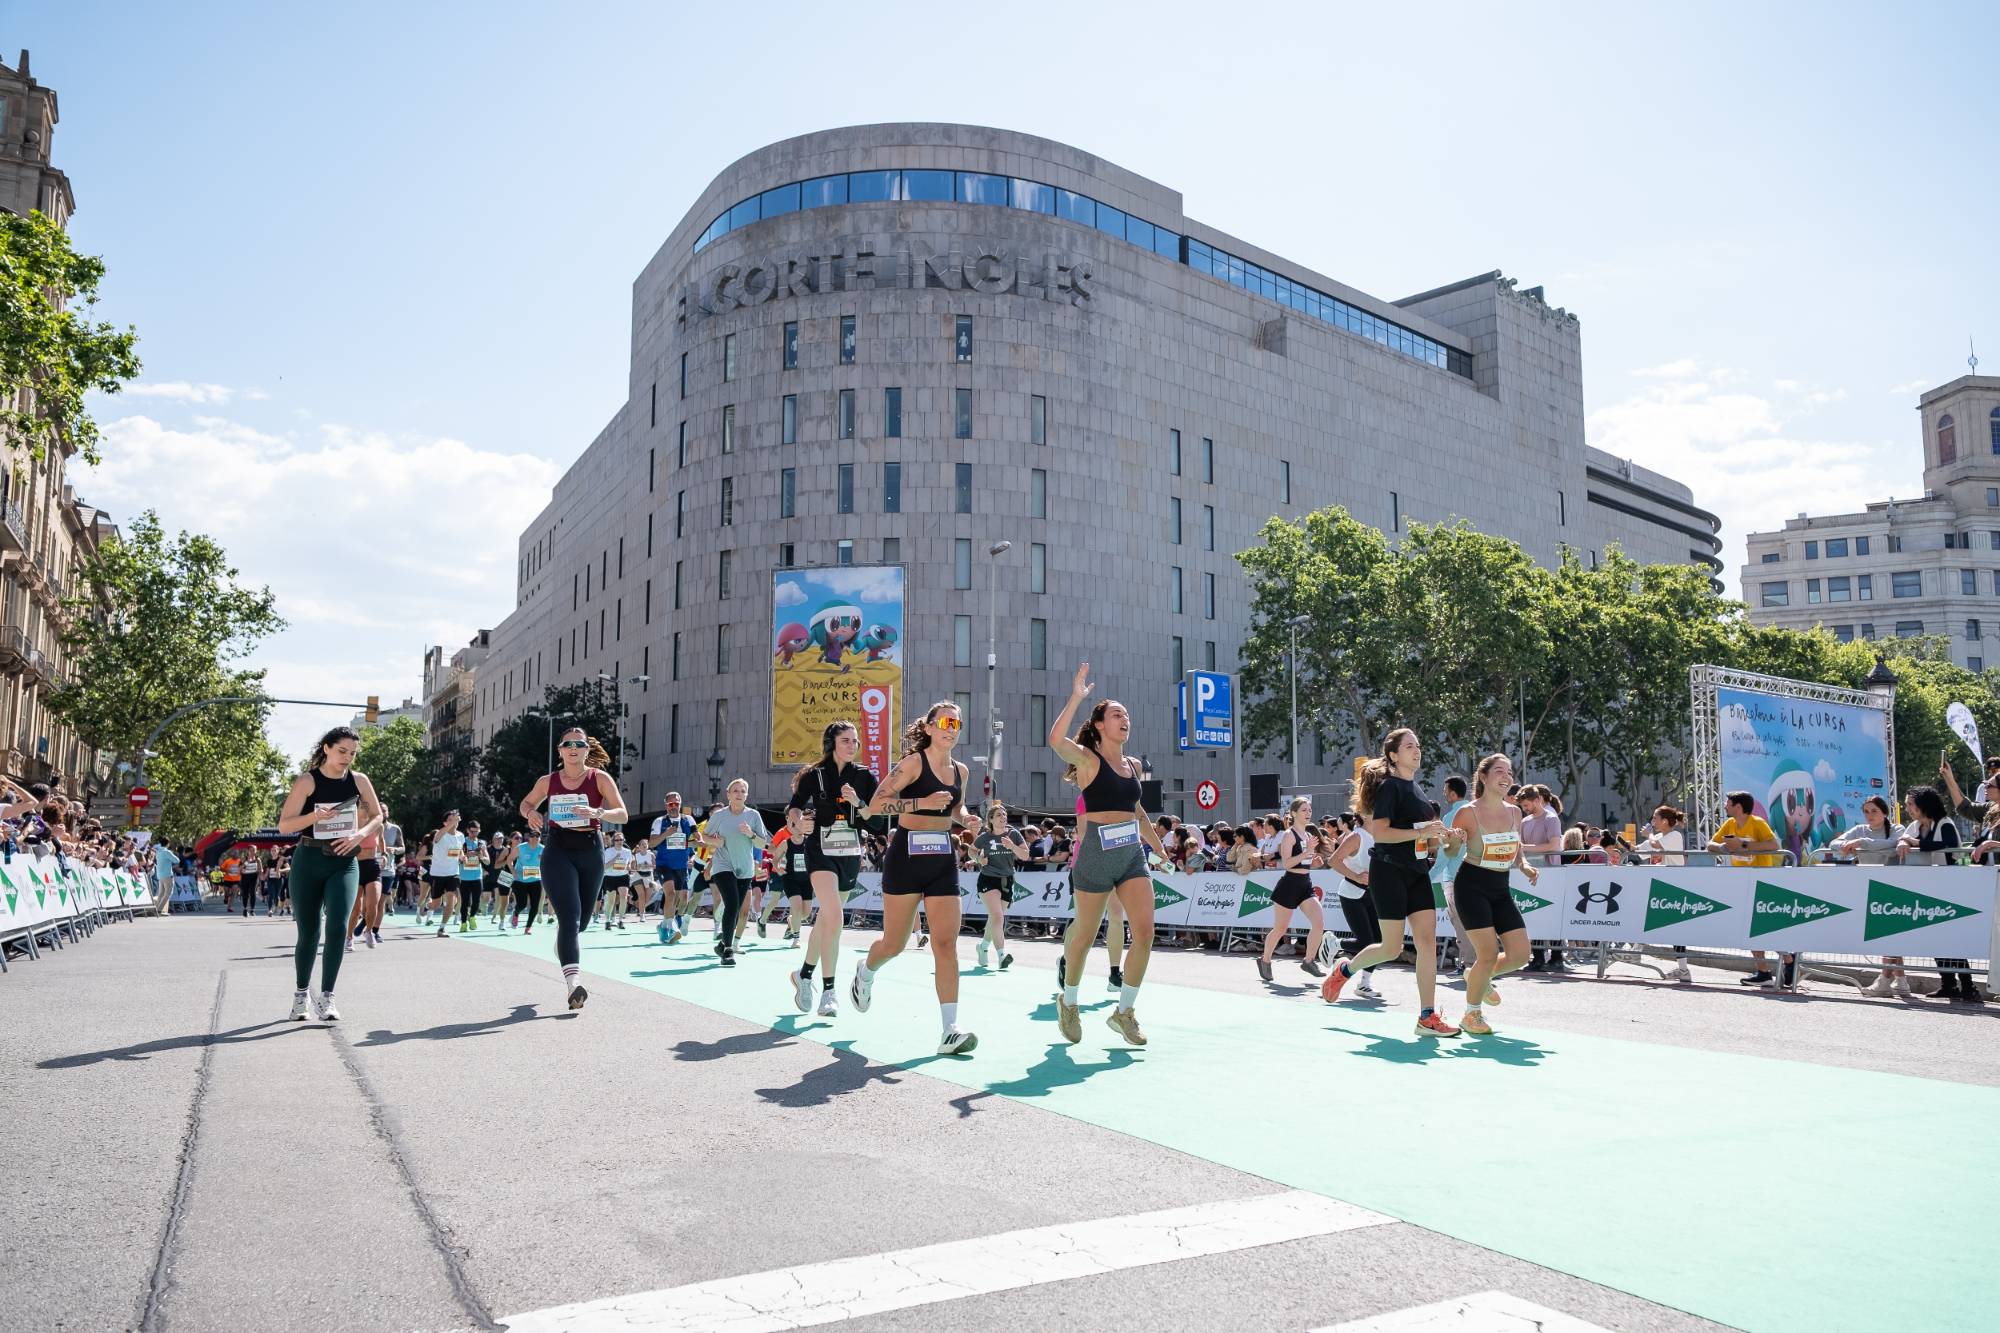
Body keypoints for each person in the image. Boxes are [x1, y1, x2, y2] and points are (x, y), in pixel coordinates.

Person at [849, 701, 983, 1055]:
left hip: (942, 858)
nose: (951, 729)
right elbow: (875, 805)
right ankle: (866, 970)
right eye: (945, 722)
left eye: (957, 723)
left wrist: (966, 818)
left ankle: (949, 1030)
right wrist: (919, 802)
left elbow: (955, 807)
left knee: (946, 944)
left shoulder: (961, 771)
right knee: (893, 945)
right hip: (906, 857)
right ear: (929, 727)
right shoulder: (912, 763)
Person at [1046, 664, 1169, 1047]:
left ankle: (1124, 1012)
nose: (1124, 719)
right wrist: (1076, 697)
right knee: (1084, 936)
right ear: (1099, 724)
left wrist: (1158, 848)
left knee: (1144, 932)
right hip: (1096, 854)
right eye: (1117, 714)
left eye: (1126, 715)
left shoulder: (1133, 766)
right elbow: (1055, 740)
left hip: (1130, 855)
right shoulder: (1088, 760)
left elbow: (1137, 812)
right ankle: (1068, 1002)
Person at [1320, 728, 1461, 1038]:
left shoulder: (1418, 790)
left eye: (1418, 745)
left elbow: (1425, 841)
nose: (1417, 750)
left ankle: (1427, 1016)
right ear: (1394, 755)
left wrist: (1446, 838)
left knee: (1427, 942)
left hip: (1417, 872)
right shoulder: (1389, 788)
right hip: (1388, 872)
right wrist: (1422, 833)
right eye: (1409, 746)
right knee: (1391, 947)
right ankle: (1345, 970)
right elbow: (1382, 833)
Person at [273, 726, 384, 1022]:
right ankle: (301, 996)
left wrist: (359, 834)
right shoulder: (307, 781)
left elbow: (377, 816)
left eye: (353, 753)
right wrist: (314, 816)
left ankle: (327, 997)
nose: (347, 758)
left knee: (337, 927)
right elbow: (285, 825)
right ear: (326, 748)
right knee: (309, 932)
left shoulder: (359, 780)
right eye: (342, 751)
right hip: (309, 860)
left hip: (344, 861)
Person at [517, 729, 628, 1007]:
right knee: (570, 917)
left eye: (579, 744)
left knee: (582, 922)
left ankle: (564, 945)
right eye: (568, 744)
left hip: (590, 849)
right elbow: (526, 803)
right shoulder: (548, 781)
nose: (573, 748)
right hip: (558, 850)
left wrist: (598, 812)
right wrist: (531, 813)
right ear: (560, 750)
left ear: (587, 749)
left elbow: (623, 814)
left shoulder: (599, 778)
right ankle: (573, 985)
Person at [787, 721, 879, 1015]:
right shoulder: (814, 775)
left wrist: (858, 802)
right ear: (831, 744)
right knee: (836, 917)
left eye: (855, 741)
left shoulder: (864, 776)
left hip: (850, 852)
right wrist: (799, 823)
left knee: (827, 919)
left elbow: (876, 820)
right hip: (819, 850)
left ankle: (803, 975)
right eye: (846, 740)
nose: (852, 745)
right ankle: (829, 991)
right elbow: (794, 806)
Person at [1449, 754, 1539, 1035]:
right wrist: (1453, 841)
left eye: (1509, 772)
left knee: (1520, 955)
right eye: (1499, 771)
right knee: (1487, 954)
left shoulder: (1515, 812)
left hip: (1501, 887)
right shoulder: (1468, 812)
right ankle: (1471, 1014)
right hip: (1471, 886)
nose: (1506, 777)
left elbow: (1516, 848)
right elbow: (1450, 852)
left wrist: (1524, 865)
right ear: (1483, 777)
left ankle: (1476, 975)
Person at [1898, 785, 1979, 1002]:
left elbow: (1948, 845)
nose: (1907, 808)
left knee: (1952, 939)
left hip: (1950, 888)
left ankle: (1969, 986)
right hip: (1928, 890)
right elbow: (1903, 839)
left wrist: (1916, 842)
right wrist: (1904, 841)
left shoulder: (1945, 823)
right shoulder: (1915, 826)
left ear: (1923, 805)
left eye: (1910, 804)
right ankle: (1948, 984)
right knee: (1935, 938)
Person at [1828, 796, 1906, 996]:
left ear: (1885, 812)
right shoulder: (1859, 829)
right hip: (1868, 885)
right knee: (1887, 931)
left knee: (1888, 931)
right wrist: (1847, 845)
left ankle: (1884, 980)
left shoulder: (1897, 828)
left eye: (1874, 811)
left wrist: (1862, 843)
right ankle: (1901, 980)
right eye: (1866, 812)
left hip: (1893, 886)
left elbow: (1893, 844)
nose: (1870, 815)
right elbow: (1834, 843)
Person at [1709, 790, 1788, 987]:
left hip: (1762, 882)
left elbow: (1773, 845)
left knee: (1763, 927)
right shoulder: (1730, 824)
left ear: (1738, 806)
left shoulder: (1758, 823)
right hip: (1741, 883)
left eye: (1728, 803)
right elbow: (1710, 843)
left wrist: (1743, 845)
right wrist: (1722, 848)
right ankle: (1765, 971)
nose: (1724, 806)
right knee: (1749, 928)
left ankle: (1787, 960)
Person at [1258, 796, 1327, 982]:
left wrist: (1313, 862)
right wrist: (1307, 853)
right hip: (1289, 884)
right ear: (1294, 813)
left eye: (1310, 810)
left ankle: (1309, 961)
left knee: (1319, 923)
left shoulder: (1307, 836)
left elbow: (1303, 863)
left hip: (1305, 884)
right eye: (1304, 810)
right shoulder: (1289, 835)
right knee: (1280, 928)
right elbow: (1288, 863)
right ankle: (1265, 960)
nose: (1308, 813)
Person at [700, 779, 767, 966]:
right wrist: (716, 841)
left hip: (744, 868)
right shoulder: (719, 815)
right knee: (732, 904)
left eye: (743, 791)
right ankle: (728, 951)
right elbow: (704, 836)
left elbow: (762, 843)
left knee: (735, 908)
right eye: (735, 790)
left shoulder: (753, 815)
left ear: (747, 795)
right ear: (728, 795)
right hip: (723, 865)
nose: (739, 794)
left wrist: (751, 834)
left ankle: (722, 944)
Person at [1631, 805, 1691, 982]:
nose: (1652, 821)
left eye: (1655, 818)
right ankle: (1682, 969)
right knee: (1652, 918)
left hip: (1674, 886)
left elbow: (1655, 845)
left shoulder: (1674, 835)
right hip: (1662, 886)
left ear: (1665, 821)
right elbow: (1636, 850)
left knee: (1663, 923)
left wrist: (1648, 835)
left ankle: (1636, 951)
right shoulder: (1658, 836)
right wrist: (1615, 841)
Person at [1325, 812, 1381, 1000]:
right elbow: (1333, 861)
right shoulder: (1357, 836)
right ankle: (1335, 943)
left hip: (1373, 894)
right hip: (1351, 893)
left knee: (1379, 942)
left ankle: (1365, 983)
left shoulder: (1380, 835)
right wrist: (1355, 876)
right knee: (1366, 942)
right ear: (1364, 814)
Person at [1517, 785, 1566, 971]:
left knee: (1552, 914)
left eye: (1527, 805)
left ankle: (1557, 956)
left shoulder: (1551, 818)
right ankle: (1537, 957)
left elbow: (1554, 845)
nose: (1525, 809)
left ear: (1537, 800)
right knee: (1534, 914)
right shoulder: (1525, 821)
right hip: (1531, 872)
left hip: (1551, 872)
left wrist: (1525, 848)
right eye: (1523, 806)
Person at [973, 803, 1028, 971]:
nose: (1003, 817)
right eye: (998, 815)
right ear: (990, 819)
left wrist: (1012, 847)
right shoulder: (985, 836)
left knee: (995, 919)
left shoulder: (1014, 834)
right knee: (997, 917)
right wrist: (978, 859)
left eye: (1004, 814)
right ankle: (1002, 956)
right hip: (988, 880)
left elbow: (1025, 856)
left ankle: (983, 947)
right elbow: (971, 850)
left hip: (1007, 880)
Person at [646, 792, 698, 944]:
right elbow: (652, 843)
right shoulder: (659, 821)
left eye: (676, 804)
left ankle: (665, 924)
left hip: (681, 865)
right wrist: (666, 833)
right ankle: (668, 930)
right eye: (671, 804)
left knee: (683, 899)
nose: (674, 807)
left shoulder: (688, 820)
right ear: (666, 805)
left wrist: (699, 843)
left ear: (680, 804)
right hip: (664, 865)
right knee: (670, 894)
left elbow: (696, 838)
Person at [456, 822, 488, 933]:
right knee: (464, 902)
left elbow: (488, 861)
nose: (474, 834)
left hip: (477, 877)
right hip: (464, 877)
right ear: (468, 830)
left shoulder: (481, 843)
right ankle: (463, 923)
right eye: (472, 831)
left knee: (476, 901)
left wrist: (481, 857)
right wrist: (465, 856)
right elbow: (456, 859)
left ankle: (472, 916)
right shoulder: (462, 842)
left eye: (477, 831)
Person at [600, 833, 633, 931]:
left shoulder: (627, 851)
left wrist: (629, 867)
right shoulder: (608, 851)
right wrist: (615, 859)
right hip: (610, 877)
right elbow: (605, 866)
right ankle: (607, 920)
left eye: (621, 840)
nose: (619, 842)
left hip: (623, 876)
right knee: (611, 901)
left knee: (624, 898)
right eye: (617, 840)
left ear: (624, 840)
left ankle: (621, 921)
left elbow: (629, 863)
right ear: (613, 841)